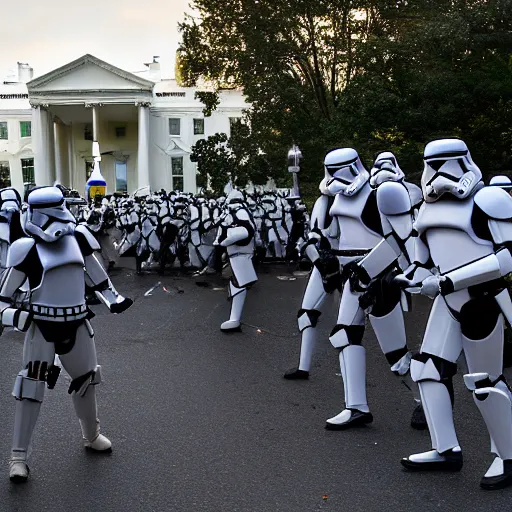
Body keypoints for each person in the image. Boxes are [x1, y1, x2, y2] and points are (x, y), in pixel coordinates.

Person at [395, 138, 512, 490]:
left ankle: (508, 456)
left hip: (481, 299)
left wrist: (448, 280)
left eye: (448, 164)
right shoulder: (426, 210)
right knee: (427, 369)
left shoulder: (490, 200)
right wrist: (410, 277)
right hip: (447, 301)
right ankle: (445, 449)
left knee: (485, 382)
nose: (440, 174)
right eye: (434, 164)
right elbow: (421, 260)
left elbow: (506, 258)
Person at [0, 186, 133, 482]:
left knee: (87, 380)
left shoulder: (78, 238)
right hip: (42, 326)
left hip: (76, 322)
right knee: (30, 388)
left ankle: (92, 434)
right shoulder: (26, 248)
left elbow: (96, 274)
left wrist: (113, 298)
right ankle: (18, 457)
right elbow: (4, 298)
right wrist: (17, 317)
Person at [214, 189, 257, 332]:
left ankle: (235, 319)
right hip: (238, 253)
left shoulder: (239, 212)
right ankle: (234, 318)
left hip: (241, 252)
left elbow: (246, 231)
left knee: (238, 285)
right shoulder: (241, 211)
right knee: (236, 284)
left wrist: (225, 238)